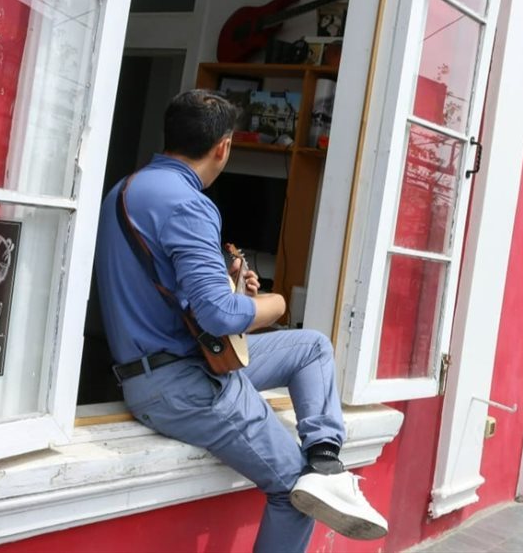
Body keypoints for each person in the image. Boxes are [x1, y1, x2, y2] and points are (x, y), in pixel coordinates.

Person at [94, 90, 387, 553]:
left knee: (310, 347)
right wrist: (273, 305)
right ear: (223, 147)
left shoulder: (126, 189)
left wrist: (232, 285)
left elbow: (175, 296)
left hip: (160, 368)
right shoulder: (189, 203)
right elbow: (217, 315)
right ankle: (320, 478)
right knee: (297, 497)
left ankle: (326, 460)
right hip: (183, 384)